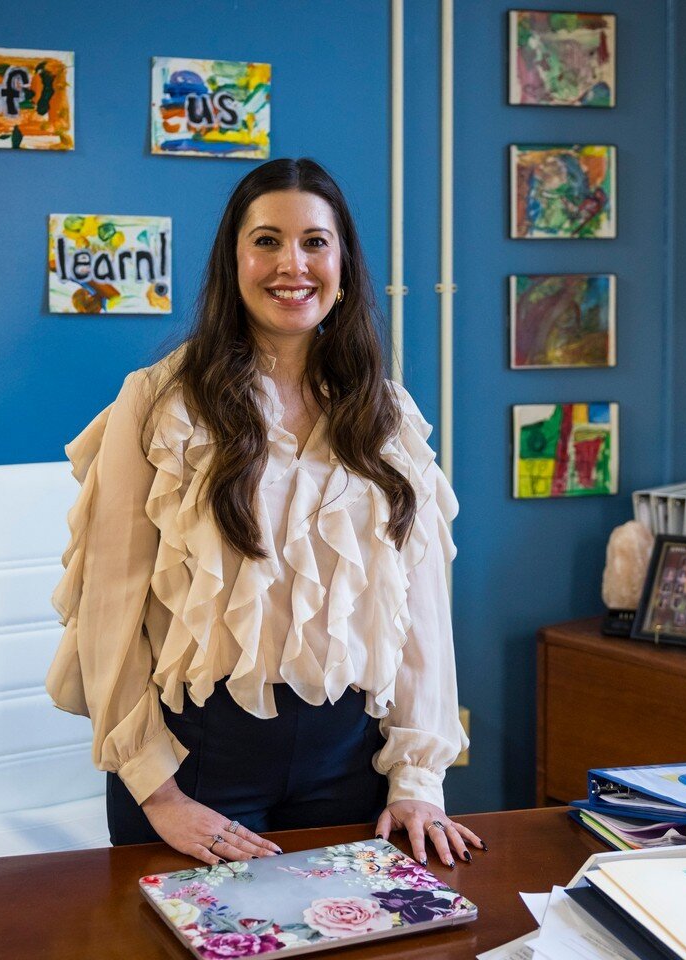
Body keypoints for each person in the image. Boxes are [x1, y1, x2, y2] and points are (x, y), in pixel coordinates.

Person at [46, 157, 481, 870]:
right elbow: (109, 609)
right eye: (267, 241)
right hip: (197, 765)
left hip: (352, 765)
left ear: (343, 264)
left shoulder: (387, 415)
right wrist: (158, 795)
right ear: (233, 260)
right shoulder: (158, 404)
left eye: (315, 241)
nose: (293, 264)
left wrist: (417, 778)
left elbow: (419, 611)